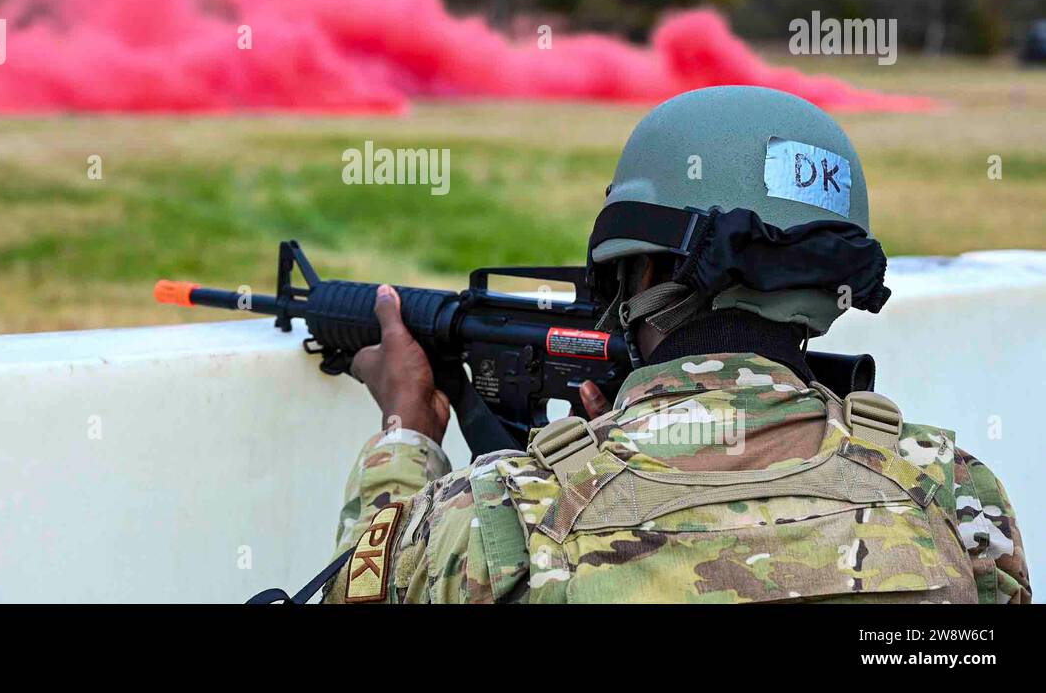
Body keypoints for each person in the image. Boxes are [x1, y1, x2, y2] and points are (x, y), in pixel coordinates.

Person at [321, 85, 1030, 604]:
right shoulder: (951, 487)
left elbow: (356, 588)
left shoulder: (495, 517)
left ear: (644, 268)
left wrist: (404, 433)